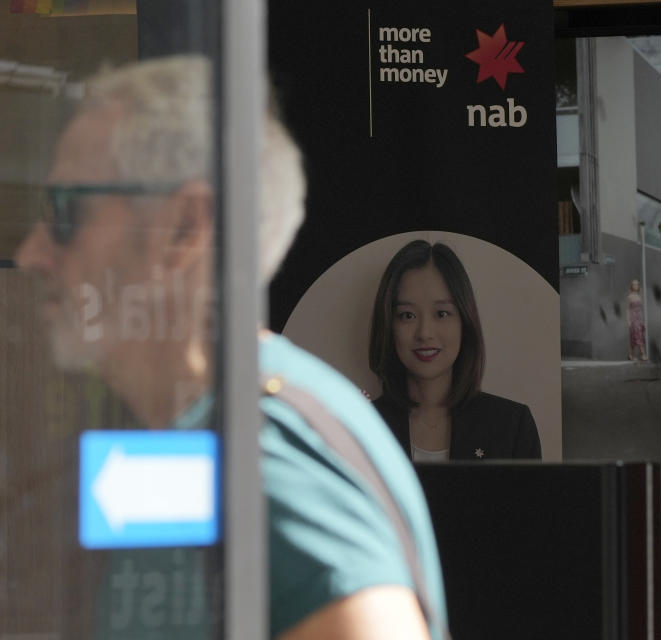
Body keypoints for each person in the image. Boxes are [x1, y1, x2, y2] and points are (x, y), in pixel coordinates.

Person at [14, 55, 446, 640]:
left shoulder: (267, 458)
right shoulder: (191, 434)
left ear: (186, 228)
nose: (31, 253)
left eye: (66, 213)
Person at [368, 240, 542, 461]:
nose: (425, 332)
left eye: (441, 313)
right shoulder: (354, 429)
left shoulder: (512, 426)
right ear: (388, 326)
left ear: (465, 322)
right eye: (407, 315)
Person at [627, 278, 647, 361]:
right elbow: (627, 309)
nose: (636, 286)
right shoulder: (629, 297)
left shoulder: (639, 296)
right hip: (633, 318)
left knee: (635, 337)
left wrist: (643, 320)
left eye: (637, 284)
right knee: (638, 336)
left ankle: (630, 354)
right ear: (631, 286)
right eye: (634, 284)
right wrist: (628, 320)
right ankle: (643, 354)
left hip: (639, 318)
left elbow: (641, 309)